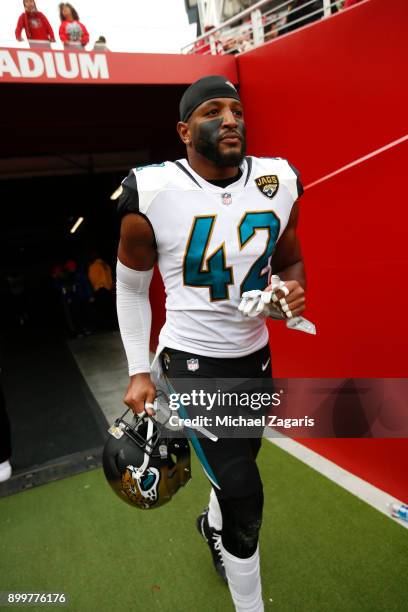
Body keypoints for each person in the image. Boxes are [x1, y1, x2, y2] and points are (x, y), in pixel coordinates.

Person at [116, 76, 306, 611]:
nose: (231, 119)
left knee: (237, 467)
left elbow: (290, 259)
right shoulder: (151, 192)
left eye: (237, 109)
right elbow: (131, 290)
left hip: (255, 356)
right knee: (246, 492)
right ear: (183, 130)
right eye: (213, 111)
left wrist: (292, 290)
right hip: (191, 363)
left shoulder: (279, 180)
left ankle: (211, 527)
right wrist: (137, 370)